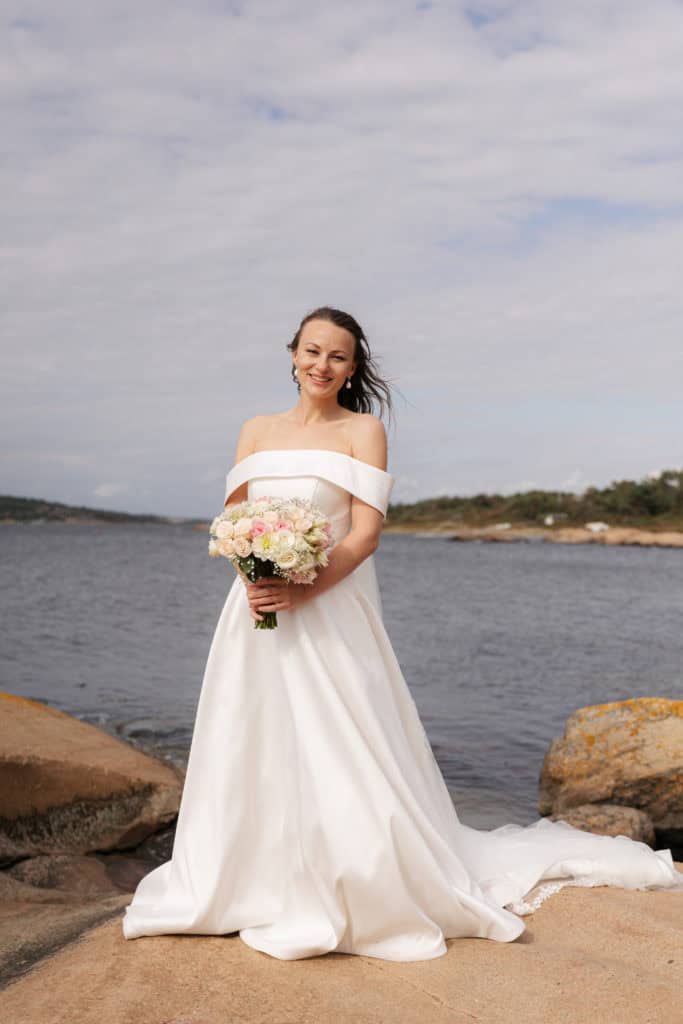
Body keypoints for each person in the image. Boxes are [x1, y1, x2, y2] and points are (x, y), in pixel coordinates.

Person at [122, 305, 683, 962]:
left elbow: (363, 535)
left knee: (341, 737)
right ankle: (245, 876)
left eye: (337, 356)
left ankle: (350, 877)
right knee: (249, 730)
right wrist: (255, 574)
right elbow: (234, 520)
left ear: (352, 367)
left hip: (327, 605)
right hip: (254, 606)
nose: (321, 365)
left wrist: (300, 587)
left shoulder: (364, 430)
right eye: (312, 351)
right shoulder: (255, 429)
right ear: (293, 354)